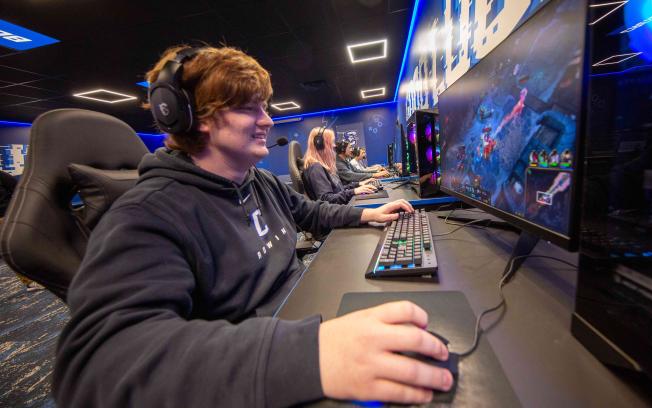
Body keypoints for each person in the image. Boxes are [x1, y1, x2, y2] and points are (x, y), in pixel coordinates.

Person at [52, 45, 453, 407]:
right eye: (250, 108)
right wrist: (309, 354)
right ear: (195, 117)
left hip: (301, 315)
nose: (267, 120)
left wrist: (365, 213)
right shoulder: (148, 213)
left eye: (265, 106)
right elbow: (94, 366)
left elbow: (310, 214)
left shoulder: (255, 180)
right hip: (255, 362)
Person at [302, 127, 377, 204]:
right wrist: (353, 191)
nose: (334, 145)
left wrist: (358, 184)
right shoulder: (315, 168)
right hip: (336, 212)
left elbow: (338, 189)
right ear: (319, 144)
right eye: (331, 142)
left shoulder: (322, 166)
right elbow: (326, 199)